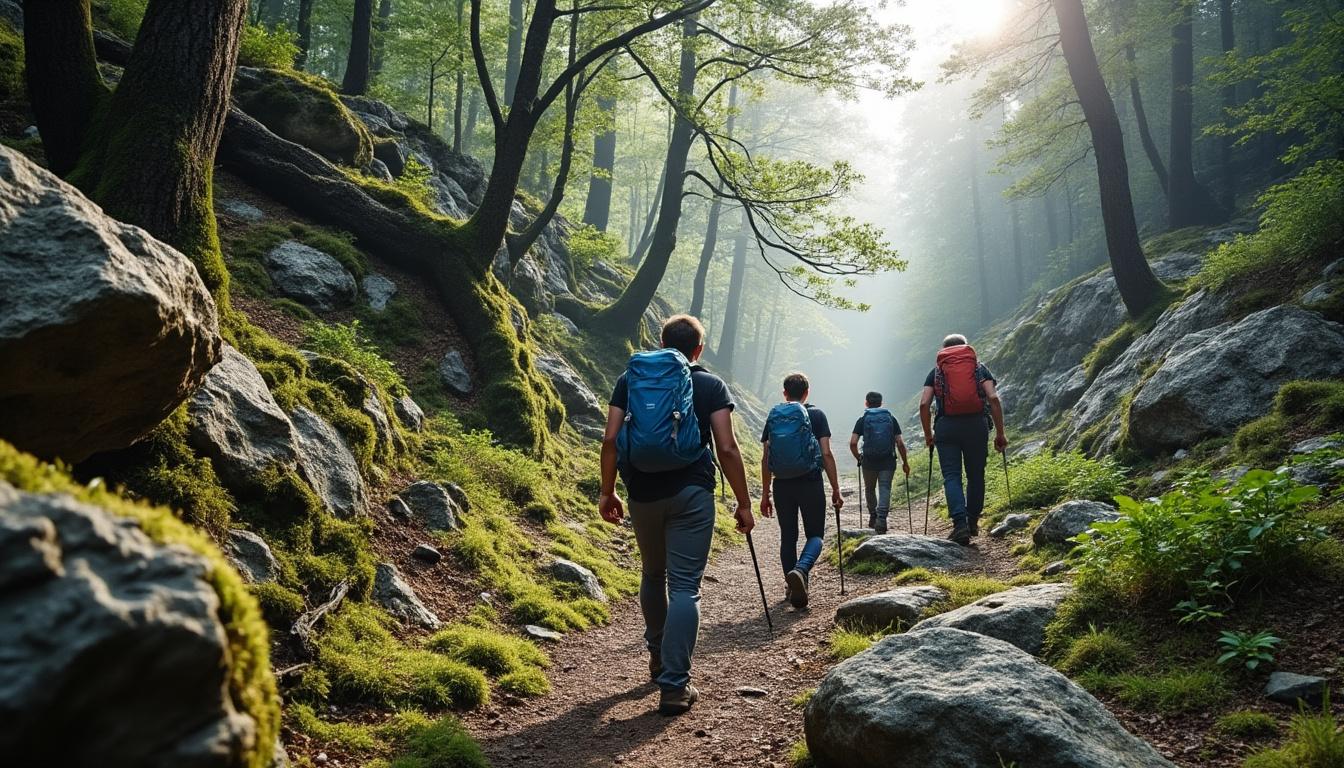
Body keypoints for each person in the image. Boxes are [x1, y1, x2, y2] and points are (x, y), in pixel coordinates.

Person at [598, 314, 753, 717]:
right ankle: (674, 685)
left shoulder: (629, 380)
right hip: (691, 494)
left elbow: (611, 439)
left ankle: (657, 656)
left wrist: (607, 490)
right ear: (697, 349)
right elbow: (728, 448)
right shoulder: (709, 384)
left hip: (643, 494)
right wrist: (744, 501)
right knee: (685, 586)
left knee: (652, 574)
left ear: (661, 342)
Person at [759, 373, 842, 610]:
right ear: (807, 392)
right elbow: (826, 453)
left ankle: (791, 585)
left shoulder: (774, 416)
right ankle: (801, 570)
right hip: (810, 482)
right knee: (815, 534)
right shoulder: (816, 414)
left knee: (788, 536)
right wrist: (836, 489)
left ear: (784, 393)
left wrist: (766, 494)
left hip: (782, 484)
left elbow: (766, 457)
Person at [919, 333, 1007, 546]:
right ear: (967, 348)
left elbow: (924, 404)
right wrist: (1000, 433)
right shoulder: (979, 368)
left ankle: (960, 525)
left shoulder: (937, 371)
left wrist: (929, 436)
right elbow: (993, 398)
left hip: (946, 427)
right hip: (976, 426)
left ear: (944, 350)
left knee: (952, 476)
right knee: (976, 475)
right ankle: (973, 520)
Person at [848, 392, 910, 533]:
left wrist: (859, 457)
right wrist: (905, 463)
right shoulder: (890, 418)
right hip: (888, 460)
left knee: (870, 489)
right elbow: (900, 443)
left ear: (866, 403)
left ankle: (873, 516)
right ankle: (881, 520)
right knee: (885, 488)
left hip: (869, 461)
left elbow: (852, 443)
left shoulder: (863, 419)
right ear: (882, 403)